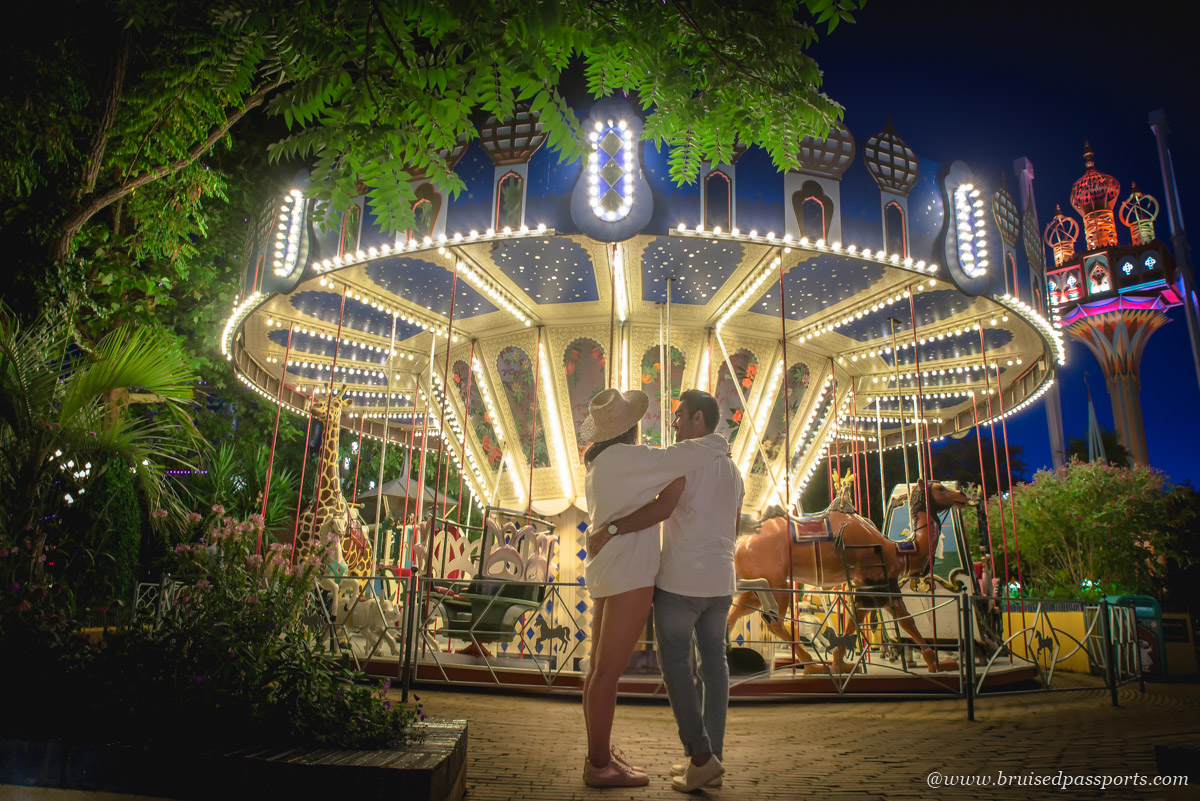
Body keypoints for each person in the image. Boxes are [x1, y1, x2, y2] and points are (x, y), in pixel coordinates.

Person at [591, 389, 742, 792]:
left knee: (676, 664)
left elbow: (662, 508)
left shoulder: (684, 464)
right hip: (721, 582)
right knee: (715, 667)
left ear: (697, 419)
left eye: (678, 416)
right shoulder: (734, 470)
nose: (672, 422)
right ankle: (711, 761)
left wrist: (614, 528)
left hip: (680, 580)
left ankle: (700, 755)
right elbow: (735, 524)